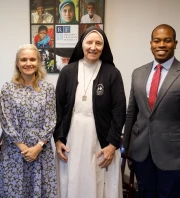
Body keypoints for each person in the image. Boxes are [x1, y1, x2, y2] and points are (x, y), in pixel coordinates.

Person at [123, 24, 180, 198]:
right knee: (144, 194)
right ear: (151, 44)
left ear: (175, 43)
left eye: (167, 40)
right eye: (157, 40)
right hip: (141, 152)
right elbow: (132, 112)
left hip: (173, 156)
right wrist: (127, 149)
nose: (161, 44)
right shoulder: (138, 73)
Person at [54, 26, 126, 198]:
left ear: (104, 47)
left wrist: (112, 144)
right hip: (72, 135)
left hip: (101, 137)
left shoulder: (112, 73)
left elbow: (119, 111)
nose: (93, 47)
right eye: (89, 42)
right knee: (73, 177)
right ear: (81, 45)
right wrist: (58, 138)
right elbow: (57, 107)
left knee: (99, 179)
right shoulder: (68, 71)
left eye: (98, 43)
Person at [0, 44, 57, 197]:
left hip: (41, 151)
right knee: (14, 191)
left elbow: (51, 120)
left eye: (32, 59)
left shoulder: (48, 88)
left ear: (38, 62)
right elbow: (6, 121)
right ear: (17, 63)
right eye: (23, 60)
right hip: (15, 151)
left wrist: (38, 147)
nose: (28, 63)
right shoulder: (8, 88)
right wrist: (24, 148)